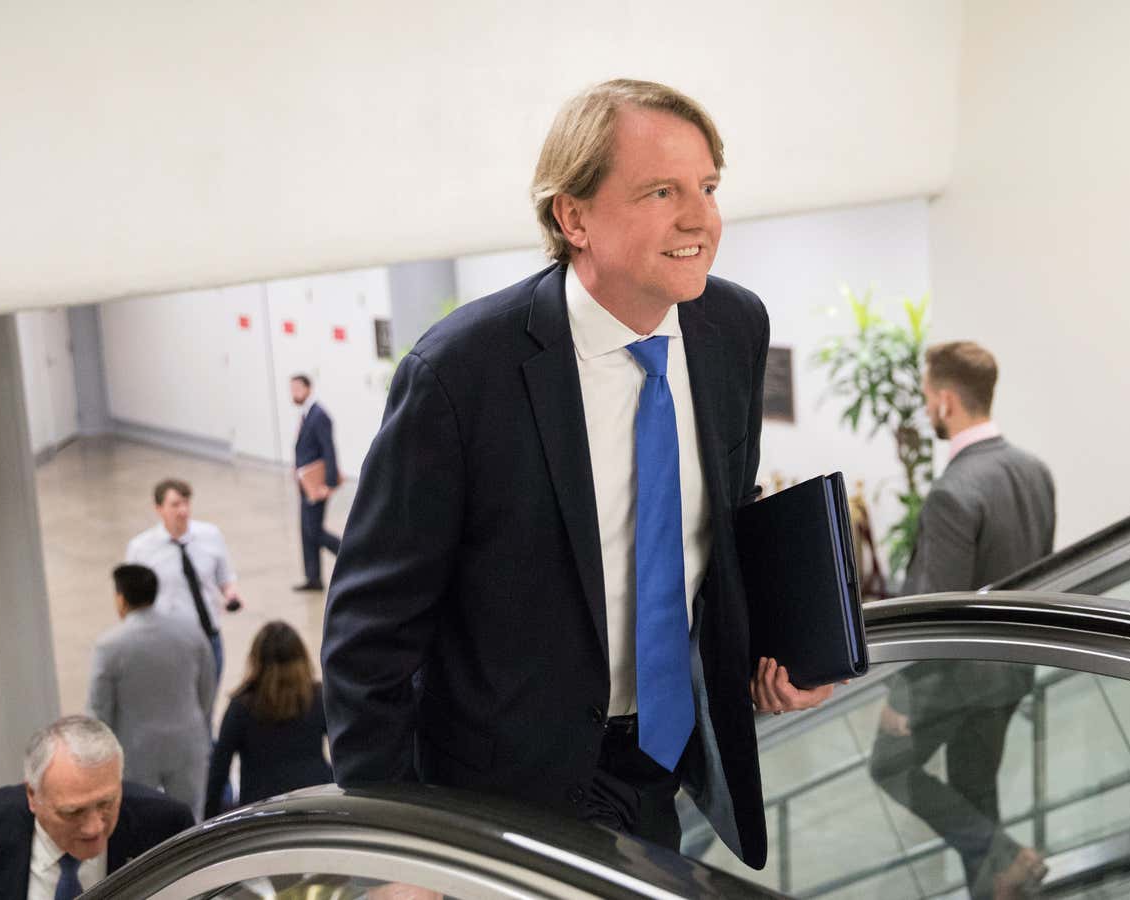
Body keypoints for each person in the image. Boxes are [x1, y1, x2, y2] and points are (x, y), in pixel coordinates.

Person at [321, 78, 832, 870]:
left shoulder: (733, 327)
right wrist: (398, 849)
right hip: (500, 795)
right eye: (662, 191)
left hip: (660, 766)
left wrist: (780, 649)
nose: (699, 218)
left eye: (707, 187)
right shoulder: (460, 375)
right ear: (573, 216)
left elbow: (716, 530)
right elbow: (366, 641)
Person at [868, 340, 1056, 898]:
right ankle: (1001, 873)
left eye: (927, 398)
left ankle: (1005, 855)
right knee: (976, 792)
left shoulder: (954, 491)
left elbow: (935, 611)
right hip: (1014, 669)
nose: (927, 409)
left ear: (946, 402)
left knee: (890, 766)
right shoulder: (1034, 471)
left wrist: (902, 696)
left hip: (957, 681)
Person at [0, 716, 193, 899]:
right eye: (73, 812)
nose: (95, 828)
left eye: (106, 803)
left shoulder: (165, 826)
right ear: (32, 795)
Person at [86, 563, 215, 816]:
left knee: (139, 818)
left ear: (121, 599)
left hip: (134, 751)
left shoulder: (110, 646)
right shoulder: (190, 632)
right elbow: (207, 686)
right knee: (190, 818)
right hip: (187, 741)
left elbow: (99, 709)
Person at [204, 621, 333, 819]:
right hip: (316, 802)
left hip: (260, 812)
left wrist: (210, 820)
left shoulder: (242, 707)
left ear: (255, 660)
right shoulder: (317, 697)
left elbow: (218, 774)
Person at [125, 478, 242, 684]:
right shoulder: (140, 548)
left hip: (208, 637)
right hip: (169, 642)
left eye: (186, 503)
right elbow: (131, 600)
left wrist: (230, 594)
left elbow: (225, 578)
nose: (183, 511)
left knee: (207, 703)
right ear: (159, 509)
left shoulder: (210, 535)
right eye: (175, 505)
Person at [290, 373, 342, 591]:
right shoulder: (306, 414)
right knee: (306, 531)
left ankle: (348, 553)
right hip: (305, 483)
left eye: (297, 389)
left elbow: (328, 449)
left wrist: (328, 484)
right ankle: (314, 578)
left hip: (317, 484)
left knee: (314, 530)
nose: (293, 394)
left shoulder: (319, 415)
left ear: (308, 388)